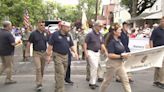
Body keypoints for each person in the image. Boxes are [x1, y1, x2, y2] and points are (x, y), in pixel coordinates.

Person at [46, 21, 78, 92]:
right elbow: (50, 46)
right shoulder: (55, 35)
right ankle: (61, 90)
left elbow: (71, 45)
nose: (69, 28)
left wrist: (75, 52)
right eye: (67, 27)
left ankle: (57, 88)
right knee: (60, 73)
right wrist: (48, 56)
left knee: (62, 74)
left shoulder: (68, 35)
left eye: (69, 27)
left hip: (66, 56)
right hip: (57, 55)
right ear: (62, 27)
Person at [100, 23, 132, 92]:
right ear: (114, 32)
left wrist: (125, 54)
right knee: (106, 82)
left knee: (125, 80)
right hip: (112, 64)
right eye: (119, 30)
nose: (120, 31)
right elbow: (110, 55)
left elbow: (121, 50)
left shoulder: (119, 41)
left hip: (120, 64)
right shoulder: (112, 42)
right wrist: (121, 56)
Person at [84, 21, 108, 89]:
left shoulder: (100, 34)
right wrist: (85, 52)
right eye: (100, 26)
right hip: (90, 51)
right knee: (94, 66)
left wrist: (105, 51)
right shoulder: (90, 34)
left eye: (101, 26)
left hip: (97, 52)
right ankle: (92, 83)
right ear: (95, 26)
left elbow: (102, 44)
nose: (101, 28)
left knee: (96, 67)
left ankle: (92, 82)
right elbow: (85, 43)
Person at [26, 20, 49, 91]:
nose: (43, 26)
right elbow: (29, 43)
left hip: (44, 53)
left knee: (42, 69)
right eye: (41, 25)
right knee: (38, 68)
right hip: (36, 53)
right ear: (38, 25)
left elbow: (49, 43)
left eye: (44, 25)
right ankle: (39, 84)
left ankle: (40, 80)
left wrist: (49, 54)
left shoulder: (46, 33)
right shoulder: (33, 34)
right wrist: (27, 53)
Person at [150, 16, 164, 89]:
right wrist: (152, 50)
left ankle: (156, 81)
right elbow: (151, 40)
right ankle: (161, 81)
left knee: (158, 65)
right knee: (161, 66)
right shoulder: (156, 30)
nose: (163, 22)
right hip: (157, 49)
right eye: (162, 21)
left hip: (163, 49)